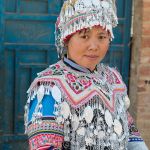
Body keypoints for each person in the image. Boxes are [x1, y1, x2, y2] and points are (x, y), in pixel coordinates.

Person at [24, 0, 149, 149]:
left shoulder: (113, 78)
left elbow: (129, 130)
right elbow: (44, 146)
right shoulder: (49, 87)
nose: (94, 46)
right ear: (67, 39)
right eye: (84, 36)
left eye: (101, 37)